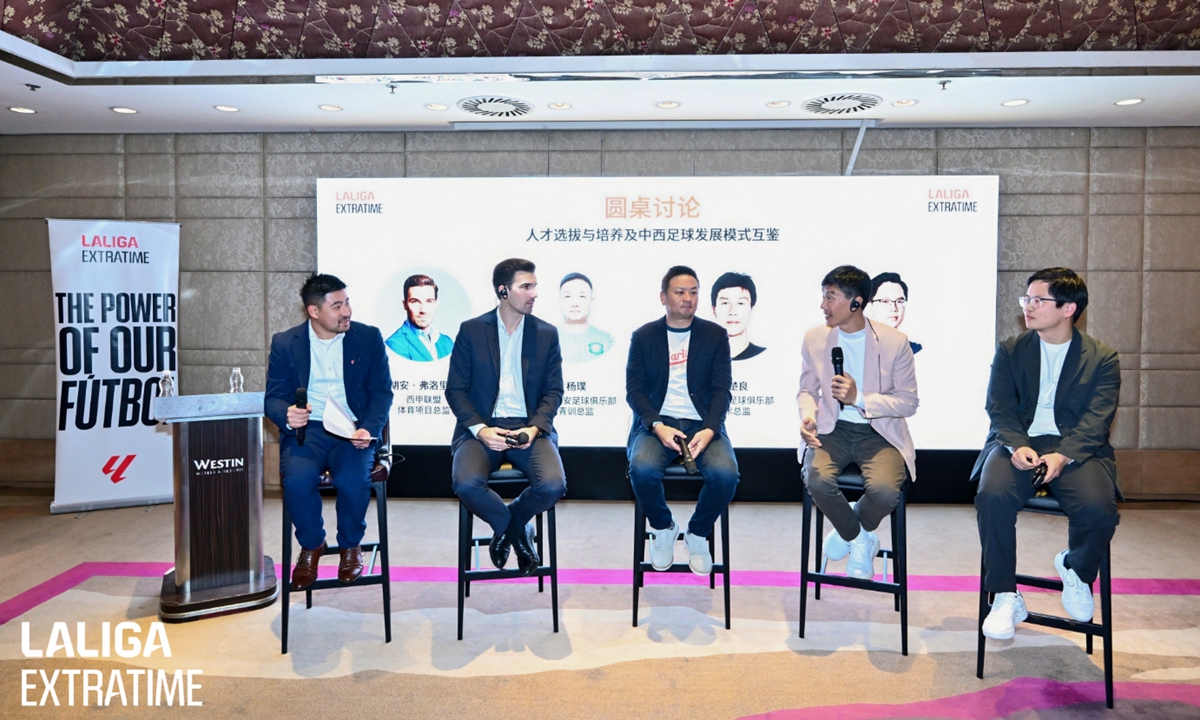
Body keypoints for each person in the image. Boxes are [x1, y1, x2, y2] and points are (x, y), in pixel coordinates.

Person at [975, 267, 1121, 640]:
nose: (1029, 306)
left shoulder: (1102, 358)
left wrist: (1062, 456)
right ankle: (1005, 595)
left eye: (1039, 300)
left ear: (1068, 308)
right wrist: (1016, 444)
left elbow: (1096, 421)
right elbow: (999, 407)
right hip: (1020, 441)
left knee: (1098, 511)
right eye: (1027, 299)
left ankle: (1075, 569)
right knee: (992, 495)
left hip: (1074, 448)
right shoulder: (1010, 350)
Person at [265, 273, 393, 590]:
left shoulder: (368, 338)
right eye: (337, 306)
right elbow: (273, 399)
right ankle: (312, 545)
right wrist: (287, 415)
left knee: (353, 480)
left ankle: (351, 546)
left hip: (352, 429)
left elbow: (382, 393)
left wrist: (368, 429)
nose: (346, 311)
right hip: (309, 431)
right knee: (296, 480)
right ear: (314, 311)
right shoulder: (285, 343)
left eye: (347, 302)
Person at [446, 258, 567, 576]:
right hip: (482, 428)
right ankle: (517, 532)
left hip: (528, 429)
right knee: (466, 483)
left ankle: (507, 526)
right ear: (503, 291)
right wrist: (481, 429)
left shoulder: (546, 333)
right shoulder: (472, 331)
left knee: (553, 485)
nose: (534, 293)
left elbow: (553, 392)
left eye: (534, 286)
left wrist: (534, 429)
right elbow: (456, 390)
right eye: (525, 286)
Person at [797, 265, 918, 580]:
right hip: (831, 429)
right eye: (824, 297)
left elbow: (908, 402)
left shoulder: (894, 342)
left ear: (856, 302)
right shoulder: (814, 338)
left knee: (884, 491)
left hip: (879, 432)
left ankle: (849, 527)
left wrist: (860, 398)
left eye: (830, 297)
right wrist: (808, 416)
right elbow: (807, 390)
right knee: (817, 478)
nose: (823, 305)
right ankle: (861, 539)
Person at [626, 266, 740, 575]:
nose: (688, 298)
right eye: (680, 292)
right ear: (664, 297)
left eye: (693, 292)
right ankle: (663, 527)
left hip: (702, 423)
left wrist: (710, 428)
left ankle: (698, 532)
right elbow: (634, 391)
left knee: (726, 475)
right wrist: (656, 425)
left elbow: (722, 389)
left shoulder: (715, 335)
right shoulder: (644, 336)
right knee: (643, 468)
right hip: (658, 423)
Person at [386, 274, 454, 361]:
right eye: (415, 302)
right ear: (405, 305)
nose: (423, 310)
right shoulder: (394, 344)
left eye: (429, 301)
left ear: (436, 304)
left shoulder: (447, 342)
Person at [557, 272, 614, 362]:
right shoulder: (546, 339)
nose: (575, 303)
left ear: (591, 300)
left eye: (582, 296)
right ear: (560, 300)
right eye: (567, 296)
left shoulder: (606, 339)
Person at [711, 271, 765, 361]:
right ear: (714, 309)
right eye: (725, 303)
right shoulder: (700, 359)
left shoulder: (766, 357)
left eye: (740, 303)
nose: (732, 311)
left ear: (752, 309)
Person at [868, 271, 922, 354]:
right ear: (870, 305)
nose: (894, 308)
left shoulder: (915, 350)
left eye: (899, 301)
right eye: (885, 301)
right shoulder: (857, 350)